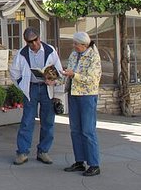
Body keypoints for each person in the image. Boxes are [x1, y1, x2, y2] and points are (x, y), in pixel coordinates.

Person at [9, 27, 64, 165]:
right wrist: (23, 84)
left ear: (39, 38)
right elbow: (14, 73)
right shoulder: (22, 54)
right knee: (27, 121)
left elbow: (59, 70)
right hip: (31, 88)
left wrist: (54, 80)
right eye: (30, 42)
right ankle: (22, 152)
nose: (33, 44)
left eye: (35, 40)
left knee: (48, 121)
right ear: (26, 42)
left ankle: (43, 151)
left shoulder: (50, 50)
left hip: (47, 88)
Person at [61, 32, 102, 176]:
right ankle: (79, 161)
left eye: (76, 44)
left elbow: (93, 79)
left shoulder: (93, 57)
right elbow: (70, 72)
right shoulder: (73, 55)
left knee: (88, 130)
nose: (74, 46)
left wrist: (74, 75)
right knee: (75, 130)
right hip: (74, 95)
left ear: (84, 45)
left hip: (87, 96)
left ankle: (94, 164)